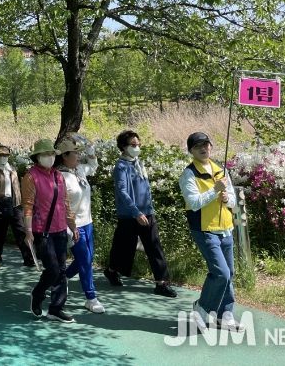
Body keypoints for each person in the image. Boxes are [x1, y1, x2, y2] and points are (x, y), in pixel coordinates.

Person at [180, 132, 243, 332]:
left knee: (229, 273)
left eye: (206, 144)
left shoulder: (220, 170)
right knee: (221, 273)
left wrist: (226, 198)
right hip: (204, 230)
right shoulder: (189, 174)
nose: (203, 148)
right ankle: (201, 307)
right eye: (198, 146)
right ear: (191, 151)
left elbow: (232, 200)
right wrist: (215, 190)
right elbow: (194, 203)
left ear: (211, 146)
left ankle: (226, 315)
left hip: (225, 228)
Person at [104, 130, 177, 298]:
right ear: (124, 147)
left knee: (154, 246)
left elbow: (145, 188)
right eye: (133, 145)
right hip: (129, 215)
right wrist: (136, 212)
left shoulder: (139, 163)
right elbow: (122, 192)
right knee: (123, 247)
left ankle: (162, 283)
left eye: (138, 144)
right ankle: (112, 270)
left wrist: (148, 208)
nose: (137, 147)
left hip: (147, 212)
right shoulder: (121, 166)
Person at [23, 138, 78, 323]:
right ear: (37, 157)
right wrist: (28, 231)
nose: (50, 157)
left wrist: (72, 225)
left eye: (52, 154)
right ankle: (38, 293)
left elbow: (65, 203)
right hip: (42, 231)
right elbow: (28, 205)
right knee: (53, 269)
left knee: (61, 270)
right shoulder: (31, 176)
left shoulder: (58, 176)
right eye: (45, 154)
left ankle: (56, 308)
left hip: (60, 229)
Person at [56, 133, 105, 314]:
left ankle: (63, 278)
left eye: (78, 152)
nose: (78, 155)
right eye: (74, 153)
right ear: (64, 156)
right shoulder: (59, 176)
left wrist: (89, 146)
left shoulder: (80, 170)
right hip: (73, 225)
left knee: (88, 258)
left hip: (87, 222)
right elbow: (59, 205)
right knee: (85, 260)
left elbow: (93, 165)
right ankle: (91, 298)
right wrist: (68, 227)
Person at [0, 145, 34, 266]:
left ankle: (28, 258)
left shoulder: (12, 170)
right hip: (1, 202)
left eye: (5, 155)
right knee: (0, 232)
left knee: (20, 231)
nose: (3, 157)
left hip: (15, 202)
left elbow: (17, 186)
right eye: (0, 155)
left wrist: (20, 201)